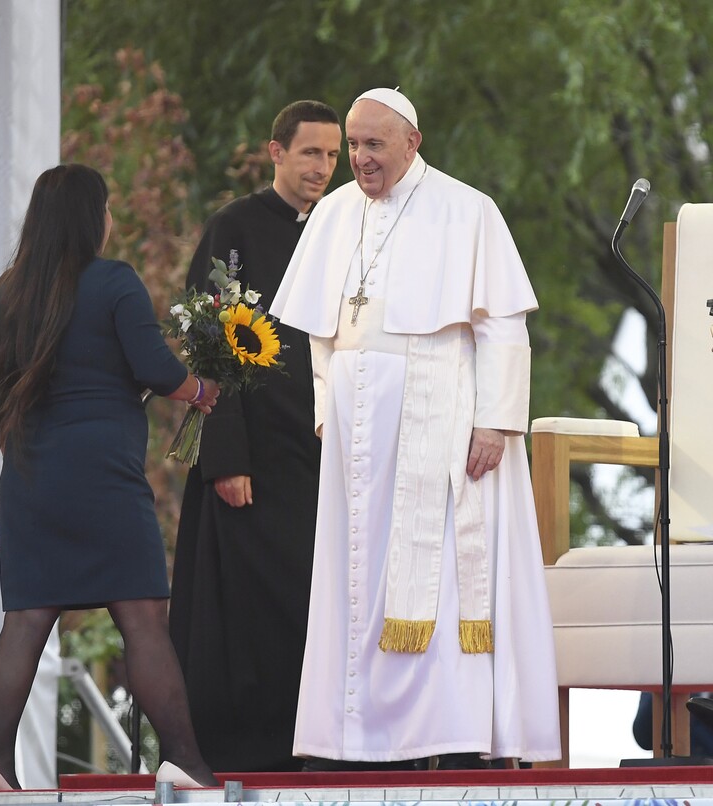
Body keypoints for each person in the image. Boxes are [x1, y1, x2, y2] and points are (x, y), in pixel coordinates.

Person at [270, 88, 561, 769]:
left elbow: (503, 327)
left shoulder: (468, 210)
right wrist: (325, 406)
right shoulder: (336, 212)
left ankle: (451, 729)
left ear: (412, 143)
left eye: (375, 145)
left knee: (441, 578)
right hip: (357, 430)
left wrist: (494, 420)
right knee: (355, 575)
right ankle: (358, 736)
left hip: (445, 416)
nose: (361, 159)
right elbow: (321, 333)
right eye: (355, 144)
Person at [0, 163, 220, 790]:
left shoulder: (7, 293)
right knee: (141, 615)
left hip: (31, 477)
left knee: (27, 618)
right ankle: (185, 759)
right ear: (91, 217)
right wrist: (199, 389)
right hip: (103, 476)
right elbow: (156, 367)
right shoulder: (113, 282)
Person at [169, 100, 340, 773]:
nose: (322, 169)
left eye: (332, 156)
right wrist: (226, 456)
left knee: (314, 607)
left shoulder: (347, 228)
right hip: (253, 458)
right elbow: (209, 347)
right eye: (310, 154)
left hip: (323, 454)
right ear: (276, 152)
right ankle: (245, 754)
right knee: (247, 609)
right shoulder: (233, 227)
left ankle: (317, 750)